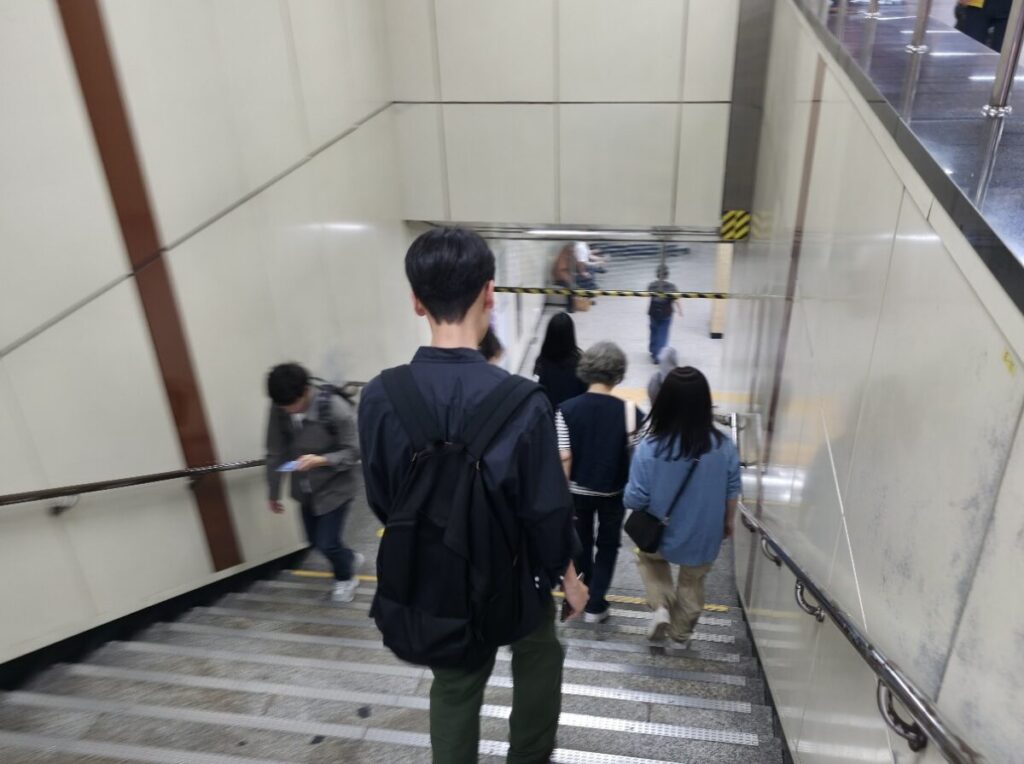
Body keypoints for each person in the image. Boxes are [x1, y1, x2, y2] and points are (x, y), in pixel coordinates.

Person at [358, 227, 588, 764]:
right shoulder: (524, 402)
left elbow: (382, 497)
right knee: (540, 651)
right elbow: (546, 509)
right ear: (490, 293)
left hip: (436, 579)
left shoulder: (381, 396)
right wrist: (571, 580)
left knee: (456, 684)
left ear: (417, 301)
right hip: (513, 576)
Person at [623, 366, 740, 645]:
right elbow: (732, 490)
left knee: (648, 560)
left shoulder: (650, 447)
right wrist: (727, 522)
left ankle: (661, 607)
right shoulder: (724, 447)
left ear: (664, 402)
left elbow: (635, 499)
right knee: (692, 581)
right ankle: (681, 633)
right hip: (702, 533)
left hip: (659, 532)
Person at [556, 342, 643, 623]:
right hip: (614, 491)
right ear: (618, 374)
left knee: (579, 543)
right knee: (608, 545)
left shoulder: (566, 410)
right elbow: (641, 458)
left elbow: (563, 456)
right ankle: (596, 604)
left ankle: (583, 592)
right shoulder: (633, 412)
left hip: (576, 492)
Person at [265, 363, 364, 602]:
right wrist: (273, 491)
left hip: (335, 487)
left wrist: (322, 460)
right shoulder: (280, 408)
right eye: (283, 407)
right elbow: (275, 451)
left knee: (327, 542)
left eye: (293, 405)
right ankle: (348, 557)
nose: (288, 411)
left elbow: (354, 452)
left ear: (306, 390)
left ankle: (345, 578)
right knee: (313, 541)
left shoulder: (335, 409)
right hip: (305, 488)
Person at [533, 313, 587, 409]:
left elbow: (538, 393)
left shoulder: (541, 363)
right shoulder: (580, 363)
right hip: (573, 414)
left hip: (549, 415)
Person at [647, 265, 683, 363]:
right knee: (663, 333)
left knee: (654, 331)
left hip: (653, 312)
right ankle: (659, 356)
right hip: (666, 313)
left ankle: (653, 351)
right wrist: (680, 310)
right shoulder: (672, 287)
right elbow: (676, 300)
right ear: (667, 275)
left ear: (657, 274)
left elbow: (649, 294)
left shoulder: (651, 285)